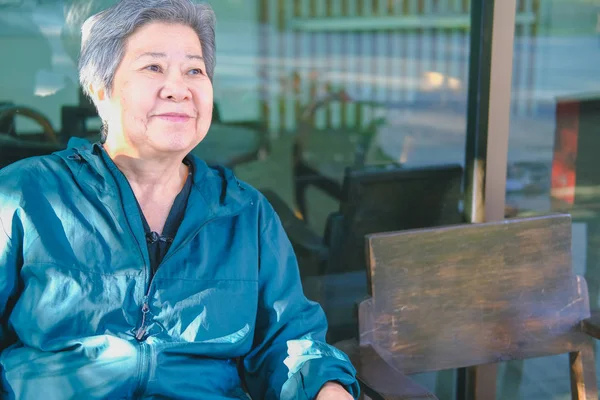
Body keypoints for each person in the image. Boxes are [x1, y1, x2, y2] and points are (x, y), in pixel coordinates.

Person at [0, 0, 359, 398]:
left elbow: (289, 341)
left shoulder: (244, 212)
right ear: (101, 88)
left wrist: (325, 386)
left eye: (194, 70)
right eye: (153, 67)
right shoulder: (28, 195)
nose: (179, 89)